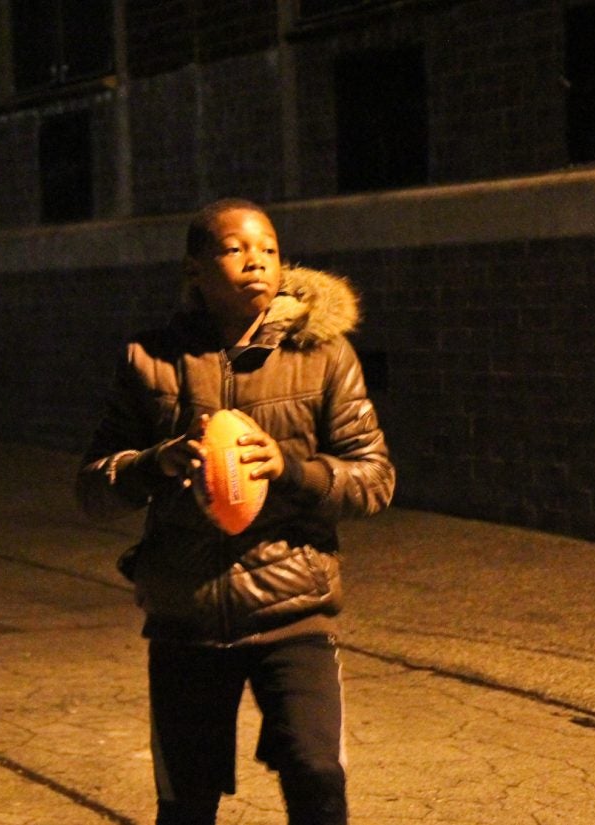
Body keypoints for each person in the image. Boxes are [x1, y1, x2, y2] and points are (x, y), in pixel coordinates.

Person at [76, 198, 395, 825]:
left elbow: (375, 478)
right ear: (195, 268)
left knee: (317, 777)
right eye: (235, 248)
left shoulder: (324, 355)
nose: (257, 261)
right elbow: (92, 488)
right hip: (185, 616)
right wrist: (153, 463)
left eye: (269, 248)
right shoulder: (149, 359)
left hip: (294, 610)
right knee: (186, 805)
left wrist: (290, 470)